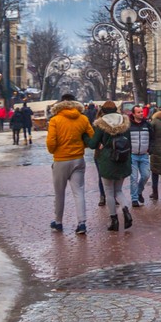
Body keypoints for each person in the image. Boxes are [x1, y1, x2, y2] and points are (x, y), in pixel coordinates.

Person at [46, 94, 94, 235]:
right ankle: (82, 223)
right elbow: (91, 137)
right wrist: (82, 146)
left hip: (61, 160)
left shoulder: (55, 120)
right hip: (78, 159)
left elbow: (51, 142)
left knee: (59, 193)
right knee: (79, 192)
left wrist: (54, 151)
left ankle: (58, 222)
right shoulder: (83, 118)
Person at [87, 101, 133, 232]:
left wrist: (85, 137)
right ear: (115, 109)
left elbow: (92, 144)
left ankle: (114, 220)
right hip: (123, 159)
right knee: (118, 190)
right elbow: (129, 142)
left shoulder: (101, 125)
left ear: (103, 111)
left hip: (107, 161)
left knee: (109, 192)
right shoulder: (125, 123)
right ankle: (126, 211)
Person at [126, 104, 153, 207]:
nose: (141, 113)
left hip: (144, 155)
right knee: (133, 177)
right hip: (132, 155)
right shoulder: (128, 126)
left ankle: (139, 191)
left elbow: (152, 138)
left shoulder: (147, 124)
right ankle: (134, 199)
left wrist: (150, 149)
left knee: (146, 175)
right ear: (133, 114)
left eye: (142, 112)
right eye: (139, 112)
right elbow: (125, 140)